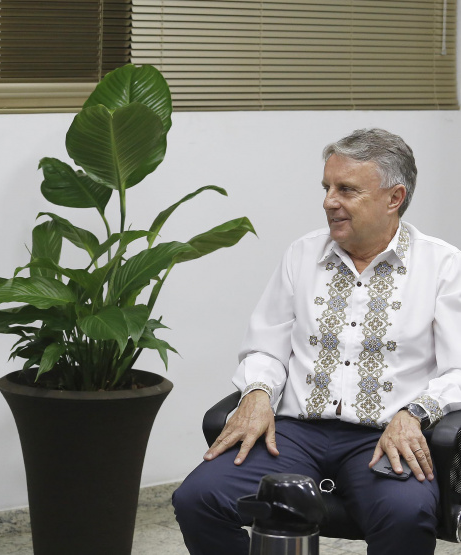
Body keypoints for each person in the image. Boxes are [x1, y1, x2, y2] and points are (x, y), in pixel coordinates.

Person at [172, 128, 461, 554]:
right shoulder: (302, 255)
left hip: (382, 437)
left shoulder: (443, 266)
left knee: (405, 515)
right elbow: (265, 347)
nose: (329, 201)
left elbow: (458, 369)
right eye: (327, 187)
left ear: (394, 198)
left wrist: (414, 413)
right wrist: (255, 393)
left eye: (346, 189)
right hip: (293, 433)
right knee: (197, 498)